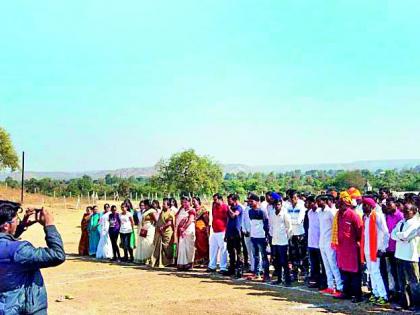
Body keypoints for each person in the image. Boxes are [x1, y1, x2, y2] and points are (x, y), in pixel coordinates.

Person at [0, 200, 66, 315]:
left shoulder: (8, 249)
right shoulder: (20, 251)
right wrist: (49, 225)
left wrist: (23, 224)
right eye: (16, 220)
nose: (17, 223)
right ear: (6, 225)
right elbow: (57, 255)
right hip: (22, 307)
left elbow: (5, 243)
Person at [332, 191, 363, 303]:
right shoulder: (338, 215)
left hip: (352, 249)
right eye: (339, 203)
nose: (340, 205)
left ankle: (357, 295)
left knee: (354, 273)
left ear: (347, 204)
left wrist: (357, 244)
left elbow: (360, 231)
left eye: (342, 203)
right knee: (344, 271)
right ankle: (346, 292)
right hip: (342, 248)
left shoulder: (353, 215)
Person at [360, 197, 390, 305]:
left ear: (371, 206)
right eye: (363, 205)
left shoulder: (377, 216)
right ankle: (375, 293)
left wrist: (382, 248)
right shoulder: (365, 217)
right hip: (367, 249)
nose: (363, 207)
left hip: (376, 249)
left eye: (365, 205)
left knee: (376, 272)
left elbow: (386, 233)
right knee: (371, 272)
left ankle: (383, 296)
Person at [391, 203, 419, 309]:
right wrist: (400, 236)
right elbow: (392, 234)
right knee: (402, 281)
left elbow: (406, 236)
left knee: (414, 282)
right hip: (399, 255)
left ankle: (417, 305)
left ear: (414, 212)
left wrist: (400, 235)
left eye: (407, 211)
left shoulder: (415, 224)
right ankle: (406, 303)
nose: (405, 213)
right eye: (404, 211)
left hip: (410, 257)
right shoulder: (401, 222)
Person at [316, 195, 343, 296]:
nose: (317, 203)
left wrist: (334, 241)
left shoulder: (331, 212)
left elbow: (336, 227)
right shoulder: (320, 213)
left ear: (325, 201)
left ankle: (340, 287)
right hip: (322, 242)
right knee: (326, 265)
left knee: (333, 265)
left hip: (330, 242)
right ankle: (330, 286)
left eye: (319, 201)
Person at [380, 197, 404, 299]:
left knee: (399, 273)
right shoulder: (388, 216)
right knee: (392, 272)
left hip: (397, 249)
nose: (388, 207)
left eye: (390, 204)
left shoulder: (400, 216)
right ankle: (395, 292)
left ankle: (401, 294)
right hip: (389, 248)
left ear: (395, 204)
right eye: (387, 205)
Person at [247, 193, 270, 282]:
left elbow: (266, 224)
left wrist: (266, 237)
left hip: (261, 237)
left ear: (257, 201)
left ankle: (266, 275)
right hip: (253, 237)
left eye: (251, 201)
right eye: (249, 201)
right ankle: (257, 273)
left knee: (264, 257)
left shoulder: (262, 211)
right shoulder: (250, 211)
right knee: (255, 256)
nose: (250, 203)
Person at [269, 195, 292, 286]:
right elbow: (271, 226)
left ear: (281, 205)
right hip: (275, 240)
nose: (278, 206)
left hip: (283, 241)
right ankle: (279, 279)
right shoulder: (272, 214)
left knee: (284, 261)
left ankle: (287, 280)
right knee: (276, 261)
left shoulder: (285, 214)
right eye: (276, 204)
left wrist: (287, 238)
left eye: (279, 204)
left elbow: (289, 228)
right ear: (274, 205)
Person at [306, 195, 326, 289]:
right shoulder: (309, 212)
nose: (308, 204)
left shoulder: (320, 212)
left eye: (310, 203)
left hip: (319, 242)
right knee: (314, 264)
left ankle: (324, 282)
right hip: (311, 242)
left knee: (322, 264)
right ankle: (316, 281)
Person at [287, 190, 307, 281]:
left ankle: (304, 272)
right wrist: (290, 222)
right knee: (292, 254)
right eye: (291, 198)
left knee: (301, 254)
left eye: (295, 197)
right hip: (291, 234)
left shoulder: (302, 205)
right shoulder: (288, 205)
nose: (293, 199)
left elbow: (299, 220)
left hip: (300, 234)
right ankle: (294, 273)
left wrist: (290, 221)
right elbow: (286, 218)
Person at [207, 193, 228, 273]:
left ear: (220, 199)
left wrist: (226, 231)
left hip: (222, 231)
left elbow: (227, 219)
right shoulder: (214, 206)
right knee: (212, 248)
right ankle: (212, 266)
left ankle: (223, 267)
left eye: (216, 200)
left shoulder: (225, 207)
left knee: (223, 250)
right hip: (215, 230)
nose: (214, 201)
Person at [151, 198, 175, 268]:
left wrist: (163, 227)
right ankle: (161, 261)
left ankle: (169, 261)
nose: (162, 205)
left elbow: (170, 222)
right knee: (160, 247)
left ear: (168, 206)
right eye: (163, 204)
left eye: (164, 204)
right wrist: (158, 228)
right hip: (160, 232)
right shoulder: (162, 212)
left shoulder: (171, 213)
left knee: (167, 247)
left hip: (167, 232)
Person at [175, 196, 196, 270]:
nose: (184, 204)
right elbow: (176, 216)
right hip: (181, 231)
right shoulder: (181, 209)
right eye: (183, 202)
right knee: (182, 246)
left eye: (186, 202)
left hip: (188, 230)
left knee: (189, 247)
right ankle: (182, 263)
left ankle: (189, 264)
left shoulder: (191, 210)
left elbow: (190, 220)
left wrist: (184, 228)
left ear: (189, 202)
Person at [135, 199, 158, 264]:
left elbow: (156, 221)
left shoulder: (152, 211)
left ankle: (149, 258)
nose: (144, 206)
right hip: (143, 229)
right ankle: (144, 259)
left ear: (147, 205)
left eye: (145, 205)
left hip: (149, 229)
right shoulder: (145, 211)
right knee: (143, 243)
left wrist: (151, 226)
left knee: (148, 243)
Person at [226, 193, 244, 278]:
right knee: (231, 252)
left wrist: (229, 209)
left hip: (237, 233)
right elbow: (228, 221)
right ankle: (232, 269)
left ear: (235, 200)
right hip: (230, 232)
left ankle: (239, 269)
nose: (228, 202)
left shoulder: (239, 208)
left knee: (238, 252)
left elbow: (233, 215)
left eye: (229, 200)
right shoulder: (230, 208)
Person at [193, 196, 209, 266]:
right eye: (192, 201)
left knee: (202, 244)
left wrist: (206, 227)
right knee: (195, 244)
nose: (193, 202)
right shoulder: (192, 209)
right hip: (193, 228)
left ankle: (204, 260)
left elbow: (207, 220)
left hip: (201, 228)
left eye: (194, 201)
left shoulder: (202, 209)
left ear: (198, 201)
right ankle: (196, 261)